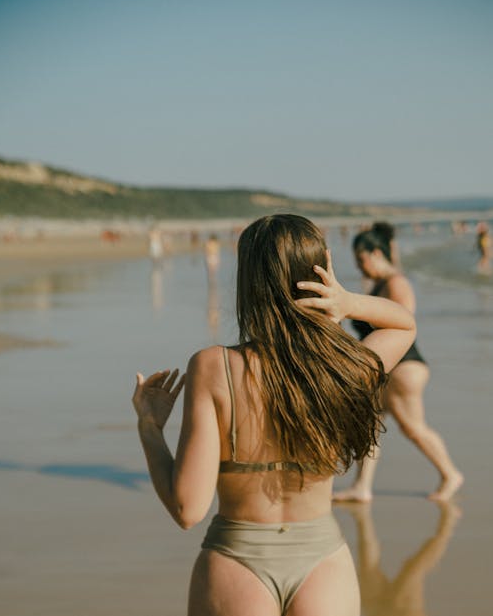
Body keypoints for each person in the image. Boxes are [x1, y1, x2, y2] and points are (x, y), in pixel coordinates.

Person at [132, 214, 416, 616]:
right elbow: (405, 325)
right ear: (320, 274)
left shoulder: (214, 367)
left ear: (250, 283)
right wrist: (348, 302)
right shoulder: (348, 365)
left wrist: (149, 427)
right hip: (324, 565)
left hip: (236, 560)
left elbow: (188, 510)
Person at [334, 223, 463, 504]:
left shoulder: (396, 282)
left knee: (413, 427)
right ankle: (362, 487)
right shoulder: (381, 283)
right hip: (389, 370)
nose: (359, 266)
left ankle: (451, 473)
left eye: (361, 259)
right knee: (370, 425)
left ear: (376, 252)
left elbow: (405, 319)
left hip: (404, 367)